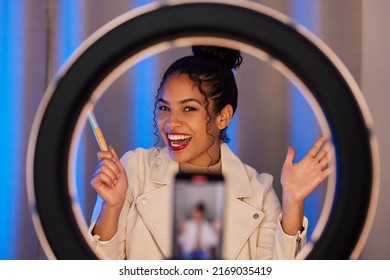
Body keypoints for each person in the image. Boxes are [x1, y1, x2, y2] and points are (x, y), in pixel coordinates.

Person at [88, 45, 333, 260]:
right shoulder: (133, 170)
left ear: (223, 116)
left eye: (189, 109)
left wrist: (293, 203)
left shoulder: (259, 192)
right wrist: (112, 207)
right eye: (165, 107)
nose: (171, 123)